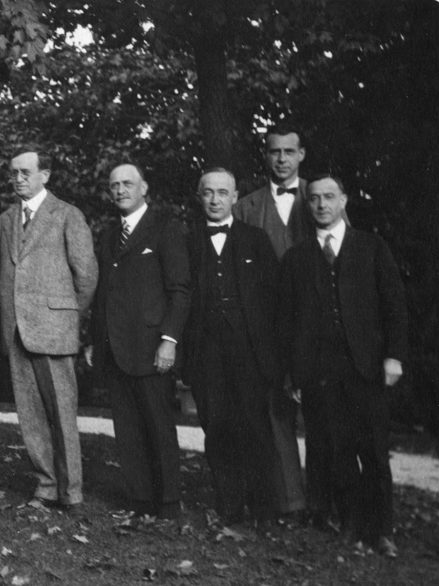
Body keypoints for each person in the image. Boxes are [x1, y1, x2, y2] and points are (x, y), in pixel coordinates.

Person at [278, 175, 407, 557]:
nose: (321, 205)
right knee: (338, 451)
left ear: (343, 201)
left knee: (375, 452)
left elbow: (394, 305)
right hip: (321, 373)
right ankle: (352, 524)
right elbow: (286, 321)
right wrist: (294, 372)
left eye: (329, 197)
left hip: (366, 368)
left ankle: (382, 530)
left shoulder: (370, 247)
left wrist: (394, 356)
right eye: (314, 198)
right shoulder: (297, 258)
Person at [0, 146, 97, 510]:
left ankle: (71, 492)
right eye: (14, 173)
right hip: (17, 331)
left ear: (45, 176)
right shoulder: (6, 219)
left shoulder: (67, 215)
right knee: (31, 417)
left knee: (62, 416)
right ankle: (45, 487)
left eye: (25, 172)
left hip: (55, 331)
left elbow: (86, 276)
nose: (18, 179)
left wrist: (64, 316)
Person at [89, 163, 190, 519]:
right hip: (116, 347)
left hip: (152, 348)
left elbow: (179, 290)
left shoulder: (165, 229)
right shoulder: (107, 235)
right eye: (114, 185)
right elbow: (104, 293)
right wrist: (94, 340)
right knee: (128, 429)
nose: (120, 190)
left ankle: (168, 502)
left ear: (144, 187)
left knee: (158, 427)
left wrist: (169, 339)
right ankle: (139, 499)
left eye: (127, 184)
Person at [182, 168, 281, 526]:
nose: (214, 199)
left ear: (235, 197)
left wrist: (272, 354)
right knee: (217, 429)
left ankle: (264, 508)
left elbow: (274, 300)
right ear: (199, 196)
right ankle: (229, 506)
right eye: (207, 192)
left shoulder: (255, 240)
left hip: (250, 353)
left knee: (255, 427)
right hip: (206, 352)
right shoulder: (188, 241)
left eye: (222, 193)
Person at [231, 124, 314, 518]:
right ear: (265, 156)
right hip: (265, 326)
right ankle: (287, 500)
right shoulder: (246, 206)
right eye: (274, 151)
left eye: (288, 151)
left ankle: (329, 501)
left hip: (314, 322)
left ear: (301, 155)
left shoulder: (321, 196)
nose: (281, 159)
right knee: (273, 410)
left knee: (325, 413)